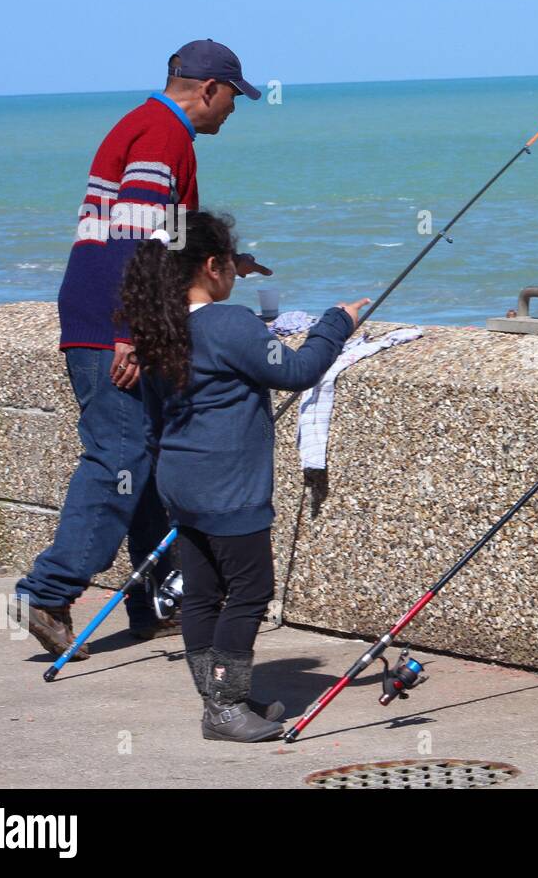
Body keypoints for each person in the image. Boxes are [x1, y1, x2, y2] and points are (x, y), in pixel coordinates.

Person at [15, 40, 270, 658]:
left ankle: (157, 600)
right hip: (112, 325)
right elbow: (136, 241)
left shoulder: (145, 125)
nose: (234, 111)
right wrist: (129, 331)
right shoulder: (164, 135)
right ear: (207, 88)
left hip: (102, 314)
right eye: (234, 97)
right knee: (120, 457)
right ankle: (48, 592)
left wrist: (226, 262)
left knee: (151, 459)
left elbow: (161, 234)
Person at [119, 211, 368, 742]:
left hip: (181, 485)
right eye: (231, 263)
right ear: (213, 267)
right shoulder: (229, 324)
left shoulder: (160, 332)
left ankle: (220, 695)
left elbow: (153, 419)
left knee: (204, 594)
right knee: (251, 591)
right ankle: (225, 707)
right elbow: (297, 371)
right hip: (231, 490)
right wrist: (336, 322)